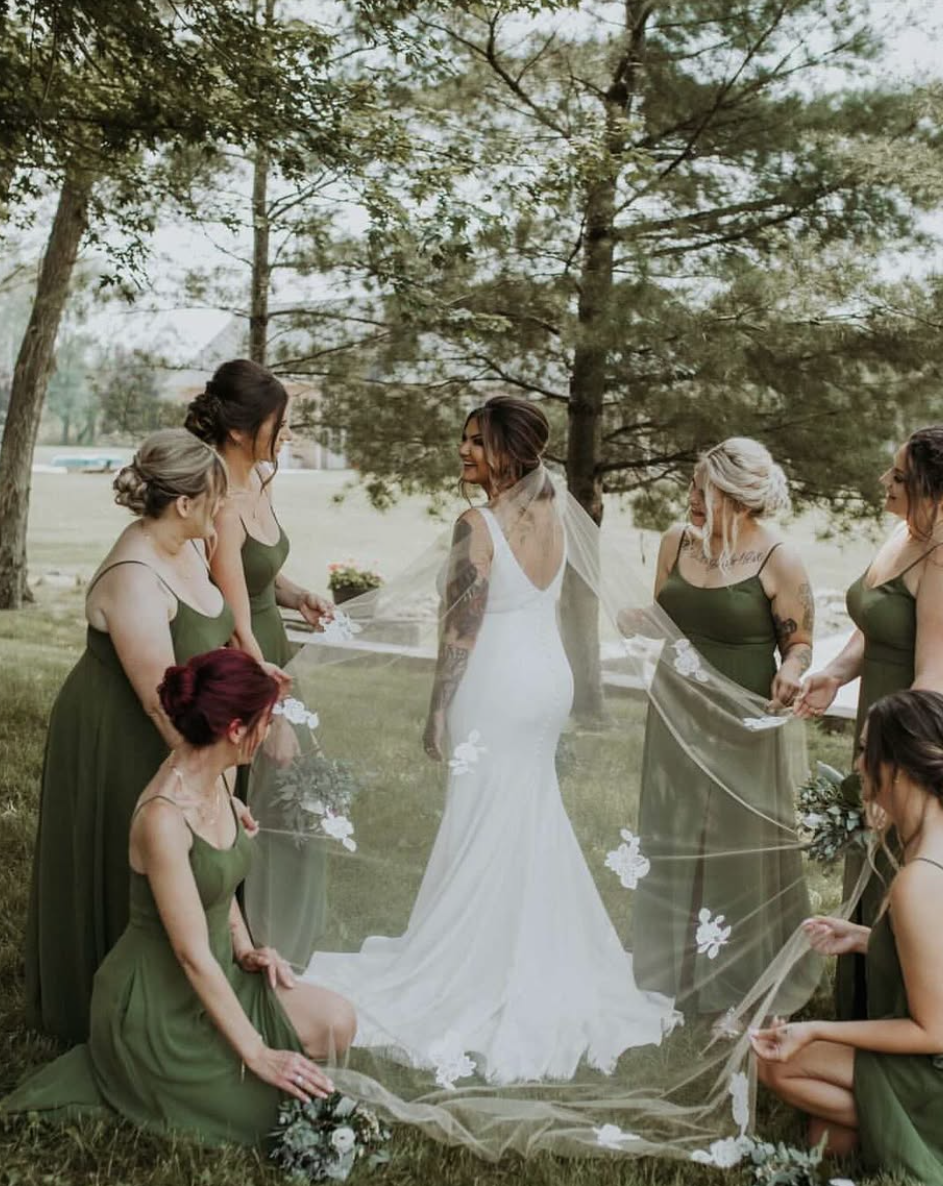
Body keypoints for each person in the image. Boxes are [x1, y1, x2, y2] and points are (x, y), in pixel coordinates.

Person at [299, 396, 680, 1083]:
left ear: (508, 450)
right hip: (548, 681)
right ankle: (536, 950)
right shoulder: (558, 510)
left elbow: (460, 630)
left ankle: (472, 960)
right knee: (528, 813)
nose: (464, 451)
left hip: (496, 685)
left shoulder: (474, 523)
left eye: (478, 442)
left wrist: (437, 709)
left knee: (481, 816)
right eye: (464, 439)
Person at [4, 649, 357, 1148]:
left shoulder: (223, 777)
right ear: (235, 728)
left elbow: (220, 878)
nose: (270, 732)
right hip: (157, 1005)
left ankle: (237, 1062)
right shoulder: (163, 819)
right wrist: (258, 1054)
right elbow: (191, 956)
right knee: (283, 1118)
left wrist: (245, 947)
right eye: (266, 721)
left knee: (339, 1023)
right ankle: (154, 1074)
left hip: (223, 973)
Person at [752, 690, 943, 1185]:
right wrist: (861, 938)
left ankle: (929, 1129)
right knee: (821, 1135)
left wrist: (814, 1030)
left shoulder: (921, 880)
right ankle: (886, 1120)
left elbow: (933, 1032)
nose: (855, 762)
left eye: (863, 749)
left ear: (894, 767)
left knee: (775, 1067)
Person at [794, 425, 943, 1023]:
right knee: (880, 863)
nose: (887, 481)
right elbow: (873, 625)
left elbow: (931, 683)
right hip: (887, 720)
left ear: (934, 488)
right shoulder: (904, 533)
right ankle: (874, 1001)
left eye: (900, 476)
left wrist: (893, 770)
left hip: (928, 733)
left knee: (920, 861)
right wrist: (832, 674)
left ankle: (938, 1018)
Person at [25, 429, 236, 1043]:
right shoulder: (135, 576)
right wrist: (211, 787)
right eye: (216, 494)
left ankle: (181, 989)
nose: (224, 503)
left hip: (180, 722)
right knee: (131, 842)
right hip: (122, 728)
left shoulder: (190, 542)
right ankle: (114, 1006)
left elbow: (209, 633)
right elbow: (158, 702)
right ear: (185, 503)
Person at [628, 439, 814, 1012]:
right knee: (672, 829)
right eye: (691, 486)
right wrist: (633, 618)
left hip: (742, 718)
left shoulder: (776, 558)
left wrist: (794, 672)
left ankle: (738, 974)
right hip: (675, 712)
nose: (692, 499)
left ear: (738, 496)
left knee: (738, 841)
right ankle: (669, 969)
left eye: (703, 489)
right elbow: (661, 619)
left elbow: (801, 643)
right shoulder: (673, 543)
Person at [185, 359, 333, 963]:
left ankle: (275, 933)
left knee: (287, 799)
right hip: (248, 660)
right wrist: (270, 711)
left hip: (275, 643)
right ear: (244, 430)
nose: (288, 433)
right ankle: (244, 940)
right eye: (280, 423)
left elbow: (259, 571)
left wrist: (298, 595)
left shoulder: (259, 484)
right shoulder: (220, 498)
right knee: (257, 797)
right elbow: (235, 618)